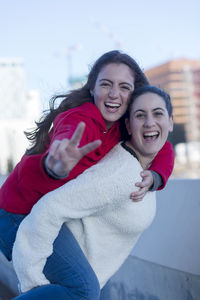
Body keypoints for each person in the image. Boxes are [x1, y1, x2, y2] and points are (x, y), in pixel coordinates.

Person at [0, 50, 174, 298]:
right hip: (18, 213)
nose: (114, 94)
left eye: (124, 87)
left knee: (99, 285)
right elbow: (69, 131)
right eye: (106, 84)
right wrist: (58, 163)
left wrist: (156, 177)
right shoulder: (83, 117)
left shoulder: (124, 127)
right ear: (92, 88)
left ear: (133, 95)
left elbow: (164, 146)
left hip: (47, 214)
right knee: (84, 290)